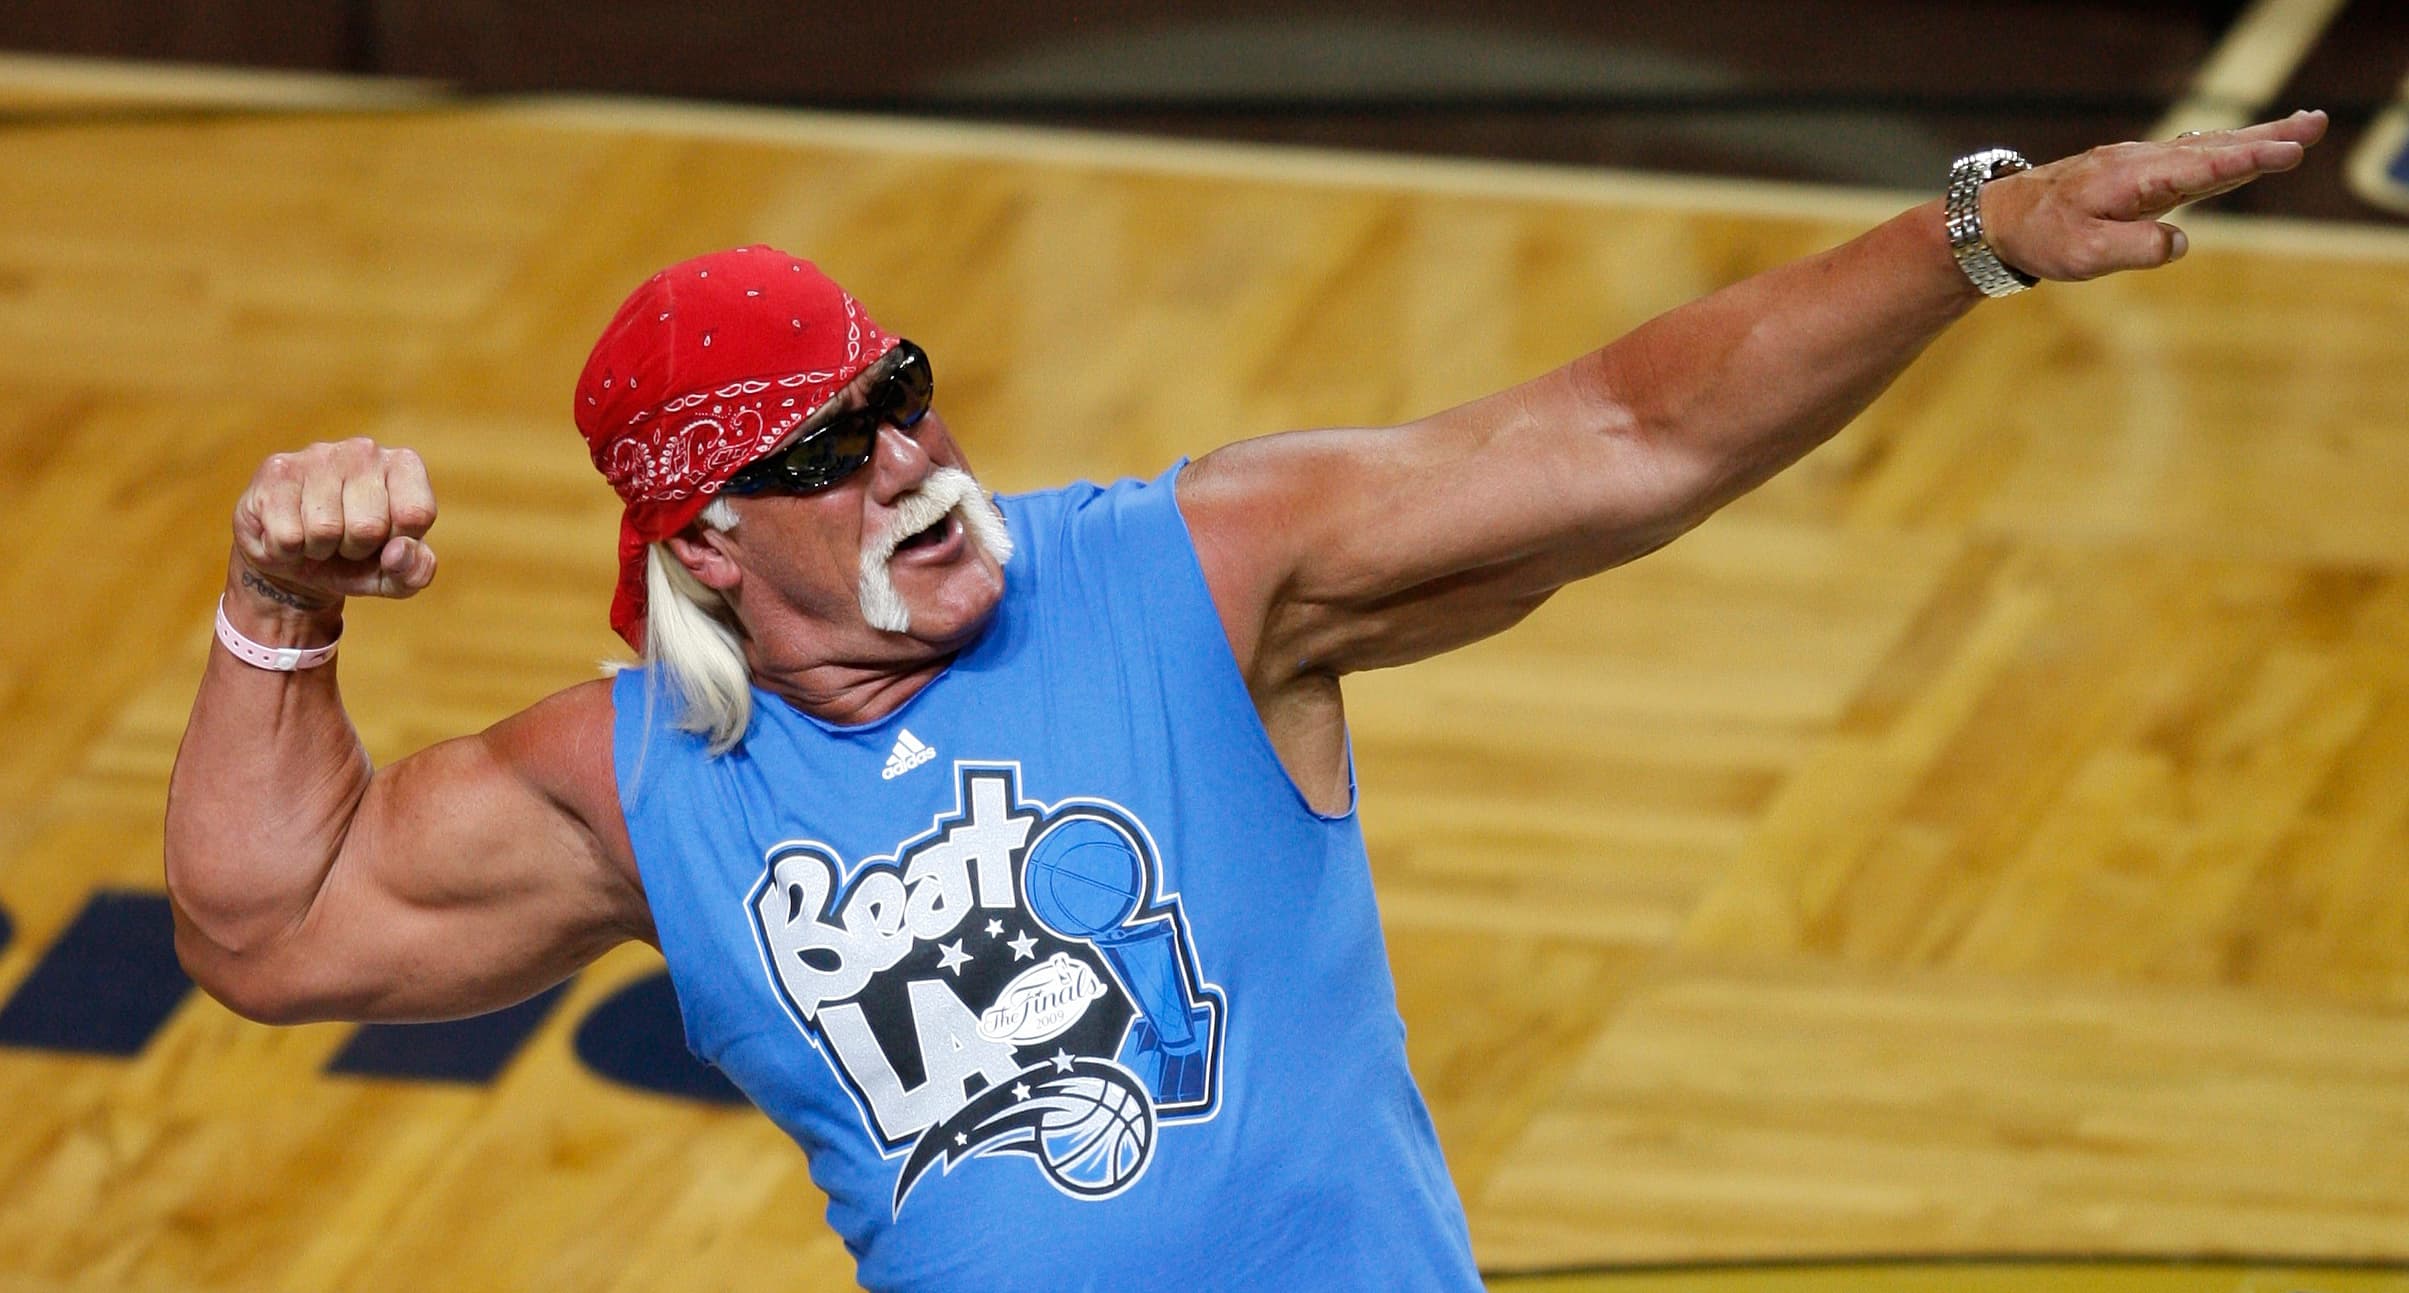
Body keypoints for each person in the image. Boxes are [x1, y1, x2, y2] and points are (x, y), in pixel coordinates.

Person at [165, 113, 2326, 1291]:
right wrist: (277, 603)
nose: (905, 459)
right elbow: (273, 931)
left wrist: (1966, 236)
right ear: (704, 545)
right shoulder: (640, 785)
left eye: (895, 397)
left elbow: (1622, 432)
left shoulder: (1191, 575)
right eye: (819, 451)